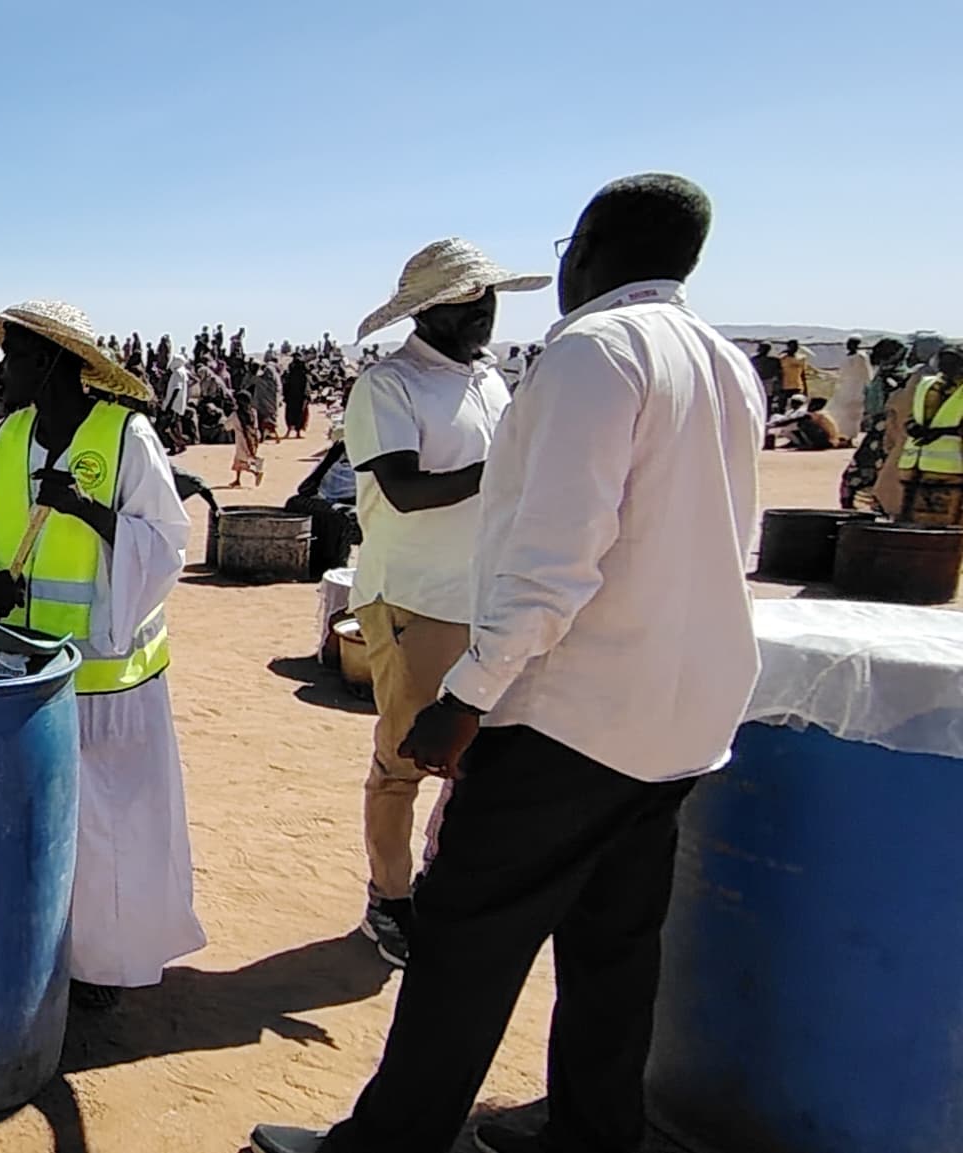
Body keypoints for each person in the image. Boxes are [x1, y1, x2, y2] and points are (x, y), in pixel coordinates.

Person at [255, 173, 765, 1153]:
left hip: (570, 715)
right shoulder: (721, 360)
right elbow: (730, 542)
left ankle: (388, 1143)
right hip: (677, 720)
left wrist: (468, 695)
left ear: (590, 245)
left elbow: (553, 563)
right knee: (614, 943)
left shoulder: (593, 353)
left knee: (464, 935)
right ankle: (591, 1132)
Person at [0, 299, 202, 1008]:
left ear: (53, 362)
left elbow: (165, 545)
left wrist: (87, 509)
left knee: (109, 834)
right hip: (22, 682)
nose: (2, 371)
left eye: (15, 356)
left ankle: (103, 966)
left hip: (111, 688)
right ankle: (35, 957)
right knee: (31, 827)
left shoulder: (126, 438)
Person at [339, 237, 549, 968]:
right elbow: (402, 489)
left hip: (485, 597)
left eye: (487, 298)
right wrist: (506, 469)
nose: (483, 312)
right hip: (414, 597)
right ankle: (388, 898)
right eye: (465, 302)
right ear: (426, 312)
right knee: (404, 758)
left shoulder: (490, 381)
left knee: (478, 757)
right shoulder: (389, 385)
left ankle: (441, 882)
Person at [893, 344, 963, 526]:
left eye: (953, 361)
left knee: (947, 522)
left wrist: (941, 432)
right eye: (944, 360)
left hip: (952, 470)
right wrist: (912, 426)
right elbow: (914, 414)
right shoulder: (926, 384)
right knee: (914, 518)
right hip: (916, 464)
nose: (947, 366)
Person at [841, 338, 912, 510]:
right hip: (886, 431)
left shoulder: (895, 378)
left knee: (867, 473)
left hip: (885, 432)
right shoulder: (897, 376)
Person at [751, 340, 784, 415]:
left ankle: (767, 415)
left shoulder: (774, 361)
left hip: (768, 382)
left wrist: (778, 385)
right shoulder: (754, 360)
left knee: (768, 400)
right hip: (756, 381)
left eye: (765, 348)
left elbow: (779, 373)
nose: (763, 350)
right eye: (762, 348)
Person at [284, 352, 312, 437]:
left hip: (298, 395)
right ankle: (294, 431)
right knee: (295, 413)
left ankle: (295, 431)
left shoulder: (300, 371)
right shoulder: (293, 371)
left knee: (297, 413)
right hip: (295, 395)